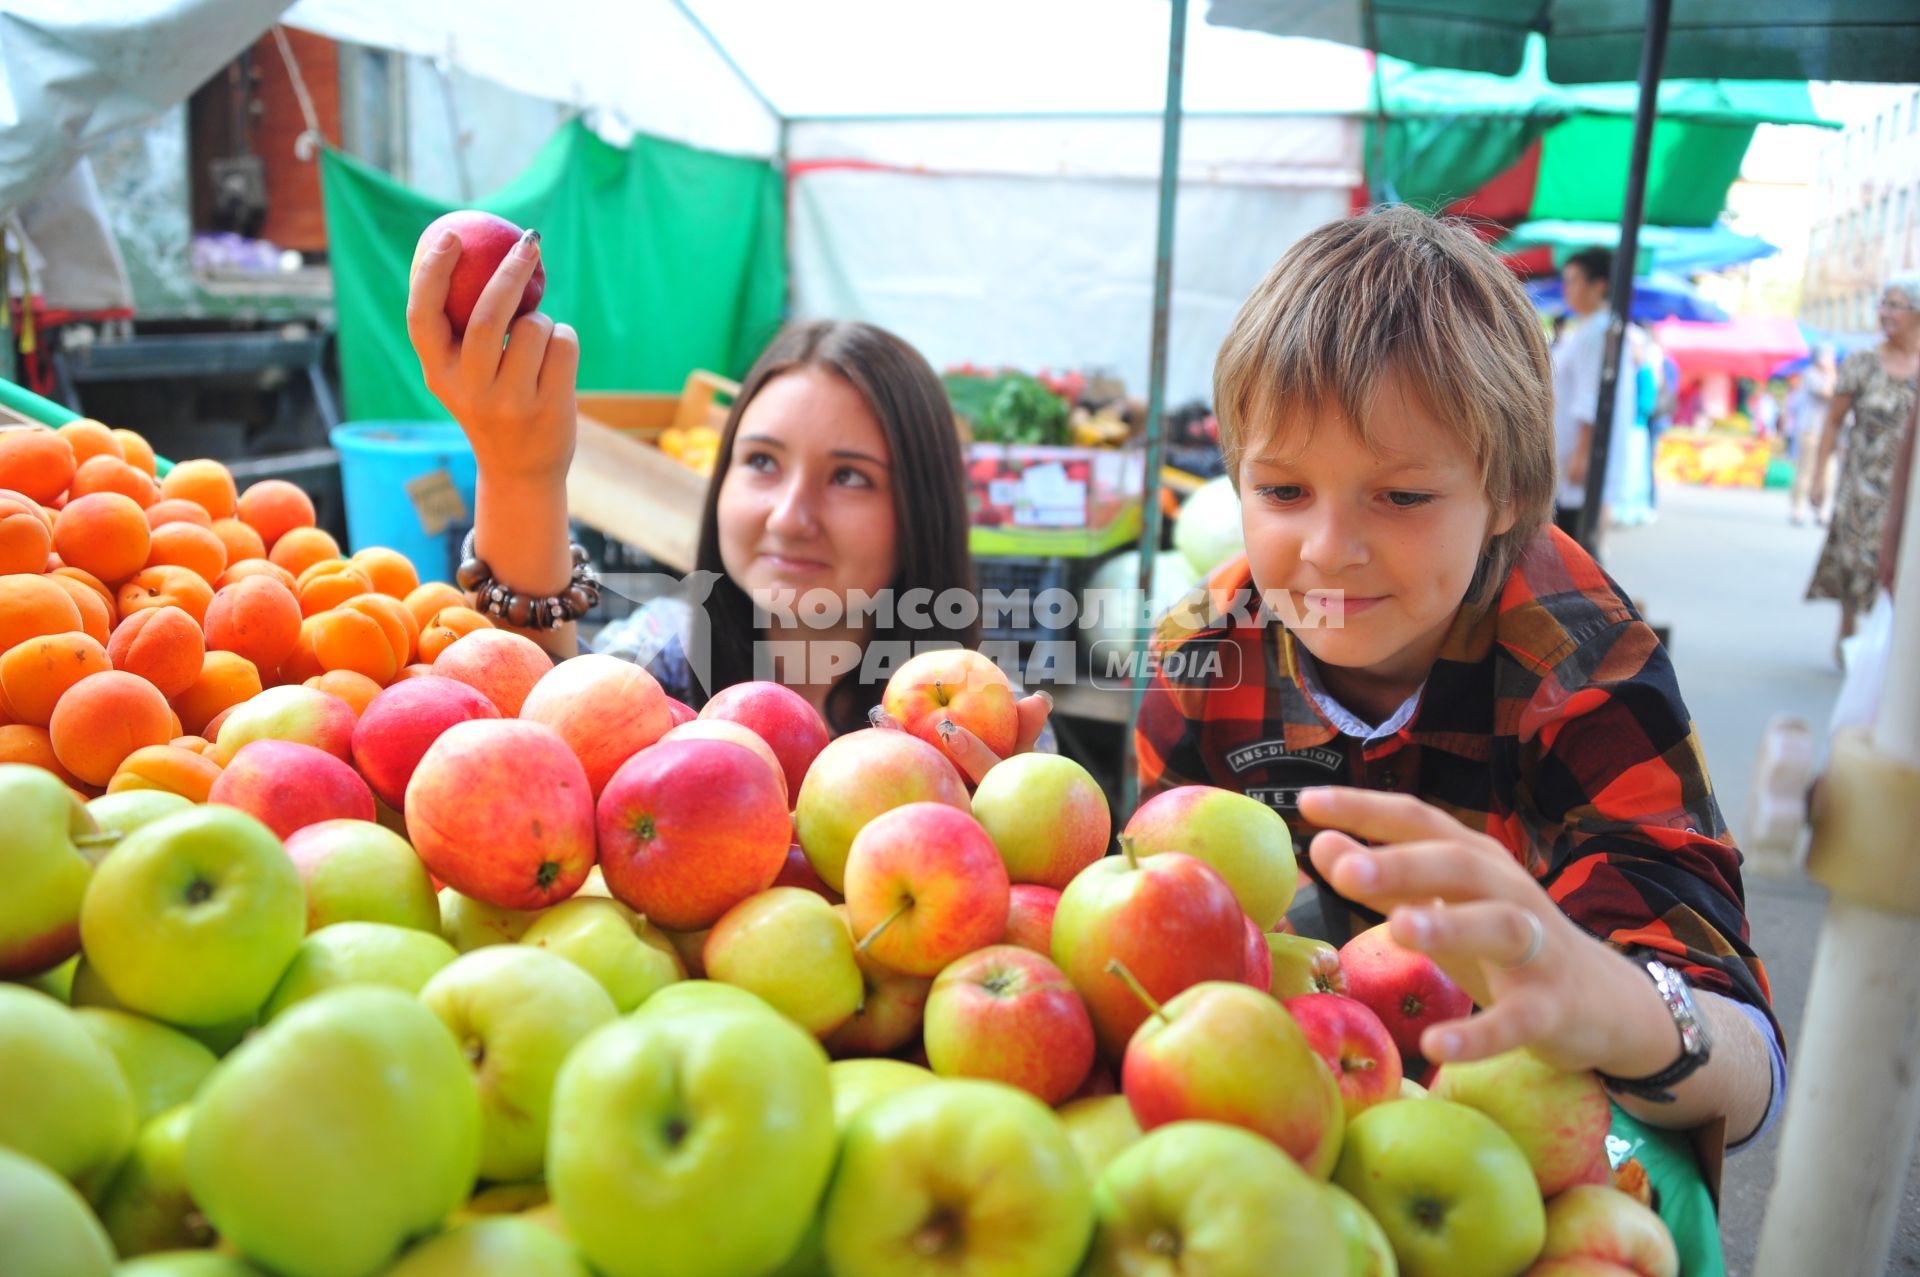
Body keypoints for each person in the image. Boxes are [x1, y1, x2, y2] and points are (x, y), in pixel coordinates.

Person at [1137, 208, 1781, 1156]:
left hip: (1555, 1121)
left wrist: (1606, 1002)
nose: (1327, 550)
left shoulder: (1582, 669)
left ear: (1508, 496)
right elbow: (1164, 928)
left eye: (1401, 495)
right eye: (1282, 491)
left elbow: (1748, 1063)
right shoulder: (1202, 656)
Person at [406, 226, 1050, 773]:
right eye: (763, 462)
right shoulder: (665, 658)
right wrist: (521, 472)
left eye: (850, 476)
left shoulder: (992, 733)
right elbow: (533, 731)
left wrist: (989, 825)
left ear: (923, 508)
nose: (788, 516)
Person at [1805, 278, 1920, 662]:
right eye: (1883, 304)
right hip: (1862, 481)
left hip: (1908, 486)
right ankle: (1850, 625)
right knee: (1855, 558)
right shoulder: (1862, 363)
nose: (1886, 313)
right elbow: (1834, 422)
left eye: (1896, 305)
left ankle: (1886, 641)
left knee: (1900, 563)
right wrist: (1819, 474)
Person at [1549, 247, 1639, 553]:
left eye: (1573, 281)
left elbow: (1591, 399)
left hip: (1580, 456)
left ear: (1598, 285)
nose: (1567, 289)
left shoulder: (1598, 330)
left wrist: (1583, 455)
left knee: (1575, 546)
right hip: (1573, 454)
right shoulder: (1590, 328)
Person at [1787, 346, 1838, 525]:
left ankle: (1822, 510)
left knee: (1828, 472)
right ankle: (1798, 508)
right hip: (1811, 429)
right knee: (1806, 469)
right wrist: (1831, 373)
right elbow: (1828, 393)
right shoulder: (1810, 374)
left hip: (1829, 431)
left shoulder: (1834, 375)